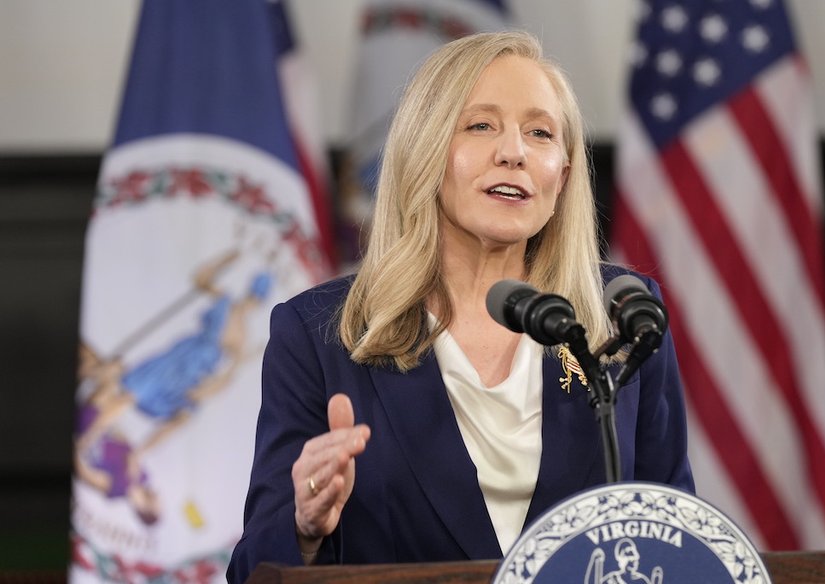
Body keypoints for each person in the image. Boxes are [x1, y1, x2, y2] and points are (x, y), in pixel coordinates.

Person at [227, 31, 694, 581]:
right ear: (423, 151)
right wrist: (305, 526)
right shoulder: (322, 333)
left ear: (562, 175)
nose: (514, 152)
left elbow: (676, 539)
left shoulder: (618, 318)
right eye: (481, 125)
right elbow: (253, 570)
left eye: (540, 133)